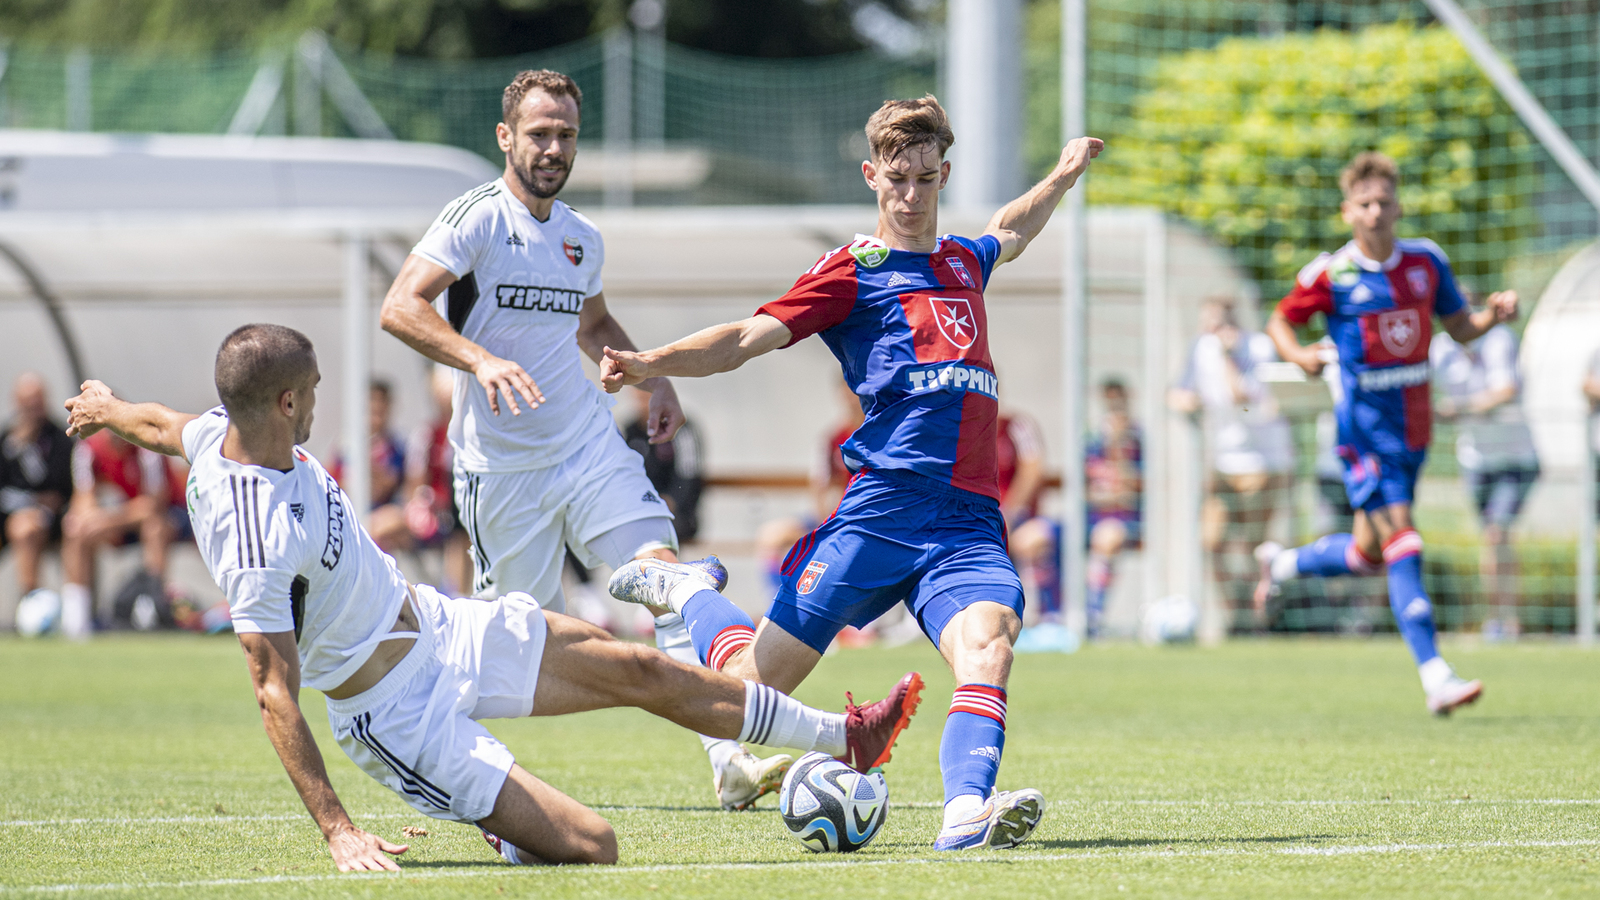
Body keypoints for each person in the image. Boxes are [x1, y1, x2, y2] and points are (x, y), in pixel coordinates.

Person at [61, 323, 922, 872]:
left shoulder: (226, 430)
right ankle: (501, 823)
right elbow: (271, 691)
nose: (323, 399)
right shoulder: (254, 538)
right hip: (396, 715)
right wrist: (338, 830)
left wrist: (105, 404)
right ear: (286, 402)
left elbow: (160, 425)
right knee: (593, 846)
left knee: (635, 666)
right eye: (315, 389)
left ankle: (844, 737)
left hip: (442, 625)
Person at [600, 95, 1103, 851]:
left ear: (943, 176)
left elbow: (1012, 228)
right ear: (872, 177)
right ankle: (686, 594)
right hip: (878, 516)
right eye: (897, 179)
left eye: (925, 179)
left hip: (966, 523)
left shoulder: (964, 261)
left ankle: (966, 813)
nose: (911, 196)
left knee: (990, 644)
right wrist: (650, 362)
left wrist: (1061, 176)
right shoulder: (852, 271)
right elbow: (744, 337)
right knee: (745, 694)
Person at [378, 69, 791, 810]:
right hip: (500, 472)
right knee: (520, 647)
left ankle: (727, 758)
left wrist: (652, 380)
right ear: (505, 137)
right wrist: (479, 359)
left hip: (587, 448)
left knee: (667, 578)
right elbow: (400, 306)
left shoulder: (580, 237)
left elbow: (593, 324)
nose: (553, 148)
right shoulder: (475, 218)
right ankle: (433, 753)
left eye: (566, 134)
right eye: (539, 133)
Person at [1253, 151, 1516, 716]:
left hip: (1413, 433)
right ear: (1348, 211)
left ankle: (1282, 565)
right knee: (1405, 541)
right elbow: (1280, 320)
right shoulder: (1332, 273)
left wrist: (1492, 316)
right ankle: (1435, 675)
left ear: (1398, 207)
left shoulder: (1426, 262)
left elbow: (1460, 327)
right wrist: (1298, 355)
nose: (1375, 212)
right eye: (1364, 203)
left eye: (1384, 202)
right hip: (1362, 435)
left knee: (1369, 553)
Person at [1169, 299, 1294, 627]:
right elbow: (1178, 391)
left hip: (1263, 464)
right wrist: (1186, 400)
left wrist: (1229, 358)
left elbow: (1245, 400)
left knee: (1254, 547)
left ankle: (1257, 620)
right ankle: (1235, 613)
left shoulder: (1259, 348)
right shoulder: (1201, 349)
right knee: (1211, 541)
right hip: (1223, 465)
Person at [1430, 318, 1540, 639]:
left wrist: (1459, 408)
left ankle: (1507, 620)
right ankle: (1497, 618)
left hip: (1515, 458)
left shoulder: (1499, 339)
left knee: (1497, 533)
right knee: (1491, 538)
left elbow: (1506, 390)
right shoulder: (1440, 347)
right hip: (1476, 460)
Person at [61, 428, 181, 635]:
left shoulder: (146, 445)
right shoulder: (88, 447)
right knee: (75, 528)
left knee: (155, 528)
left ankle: (152, 605)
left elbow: (154, 505)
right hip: (117, 522)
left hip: (166, 517)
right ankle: (77, 617)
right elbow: (83, 500)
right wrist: (94, 520)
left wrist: (108, 520)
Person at [0, 372, 74, 619]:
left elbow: (57, 490)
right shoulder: (6, 439)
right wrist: (18, 447)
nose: (33, 407)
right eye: (27, 402)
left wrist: (30, 451)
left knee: (26, 529)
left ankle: (31, 604)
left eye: (37, 400)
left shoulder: (60, 438)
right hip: (7, 515)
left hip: (50, 520)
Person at [1083, 379, 1142, 638]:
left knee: (1106, 536)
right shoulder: (1092, 441)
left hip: (1127, 521)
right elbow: (1082, 490)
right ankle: (1052, 616)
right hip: (1091, 519)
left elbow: (1134, 492)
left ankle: (1092, 617)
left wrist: (1117, 448)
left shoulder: (1139, 441)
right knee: (1037, 537)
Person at [331, 380, 409, 553]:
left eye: (381, 405)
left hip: (384, 513)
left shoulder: (397, 446)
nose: (376, 410)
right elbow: (335, 482)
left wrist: (369, 469)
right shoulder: (346, 445)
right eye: (372, 404)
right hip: (350, 511)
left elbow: (385, 487)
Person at [622, 387, 705, 543]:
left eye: (647, 397)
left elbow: (689, 475)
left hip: (678, 513)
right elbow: (624, 473)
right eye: (640, 398)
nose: (645, 404)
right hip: (640, 509)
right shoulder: (631, 430)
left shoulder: (681, 429)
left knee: (654, 527)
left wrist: (669, 500)